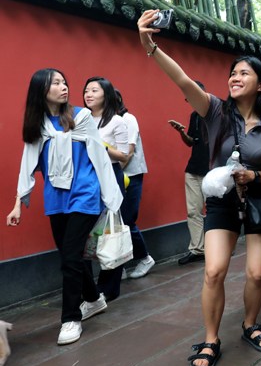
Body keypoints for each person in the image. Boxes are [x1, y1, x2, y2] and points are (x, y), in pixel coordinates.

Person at [137, 9, 261, 366]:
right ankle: (211, 339)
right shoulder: (215, 111)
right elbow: (182, 80)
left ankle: (250, 324)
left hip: (259, 203)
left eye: (244, 73)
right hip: (222, 202)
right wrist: (149, 44)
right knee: (214, 272)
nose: (235, 77)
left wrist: (253, 174)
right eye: (233, 73)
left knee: (256, 274)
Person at [6, 69, 122, 345]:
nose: (64, 86)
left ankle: (71, 318)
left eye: (64, 82)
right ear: (41, 90)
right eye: (56, 83)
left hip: (85, 194)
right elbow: (28, 162)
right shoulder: (38, 125)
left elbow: (100, 157)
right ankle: (93, 299)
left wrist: (111, 199)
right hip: (56, 197)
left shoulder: (81, 117)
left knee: (70, 256)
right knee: (71, 255)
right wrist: (18, 203)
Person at [83, 76, 130, 300]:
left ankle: (109, 287)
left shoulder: (117, 121)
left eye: (94, 90)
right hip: (87, 176)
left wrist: (100, 146)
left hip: (110, 174)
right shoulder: (81, 118)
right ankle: (89, 287)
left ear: (106, 94)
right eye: (86, 90)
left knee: (111, 229)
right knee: (89, 228)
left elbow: (124, 155)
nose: (88, 94)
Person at [116, 90, 155, 278]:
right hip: (115, 177)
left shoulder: (128, 119)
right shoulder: (106, 122)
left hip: (130, 175)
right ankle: (119, 266)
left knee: (127, 219)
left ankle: (145, 258)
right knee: (115, 223)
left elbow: (128, 152)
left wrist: (114, 173)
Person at [169, 81, 209, 265]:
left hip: (213, 171)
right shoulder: (194, 116)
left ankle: (221, 245)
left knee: (215, 210)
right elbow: (192, 142)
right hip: (194, 169)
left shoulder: (219, 113)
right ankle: (197, 249)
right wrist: (181, 132)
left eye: (190, 97)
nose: (189, 101)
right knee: (193, 212)